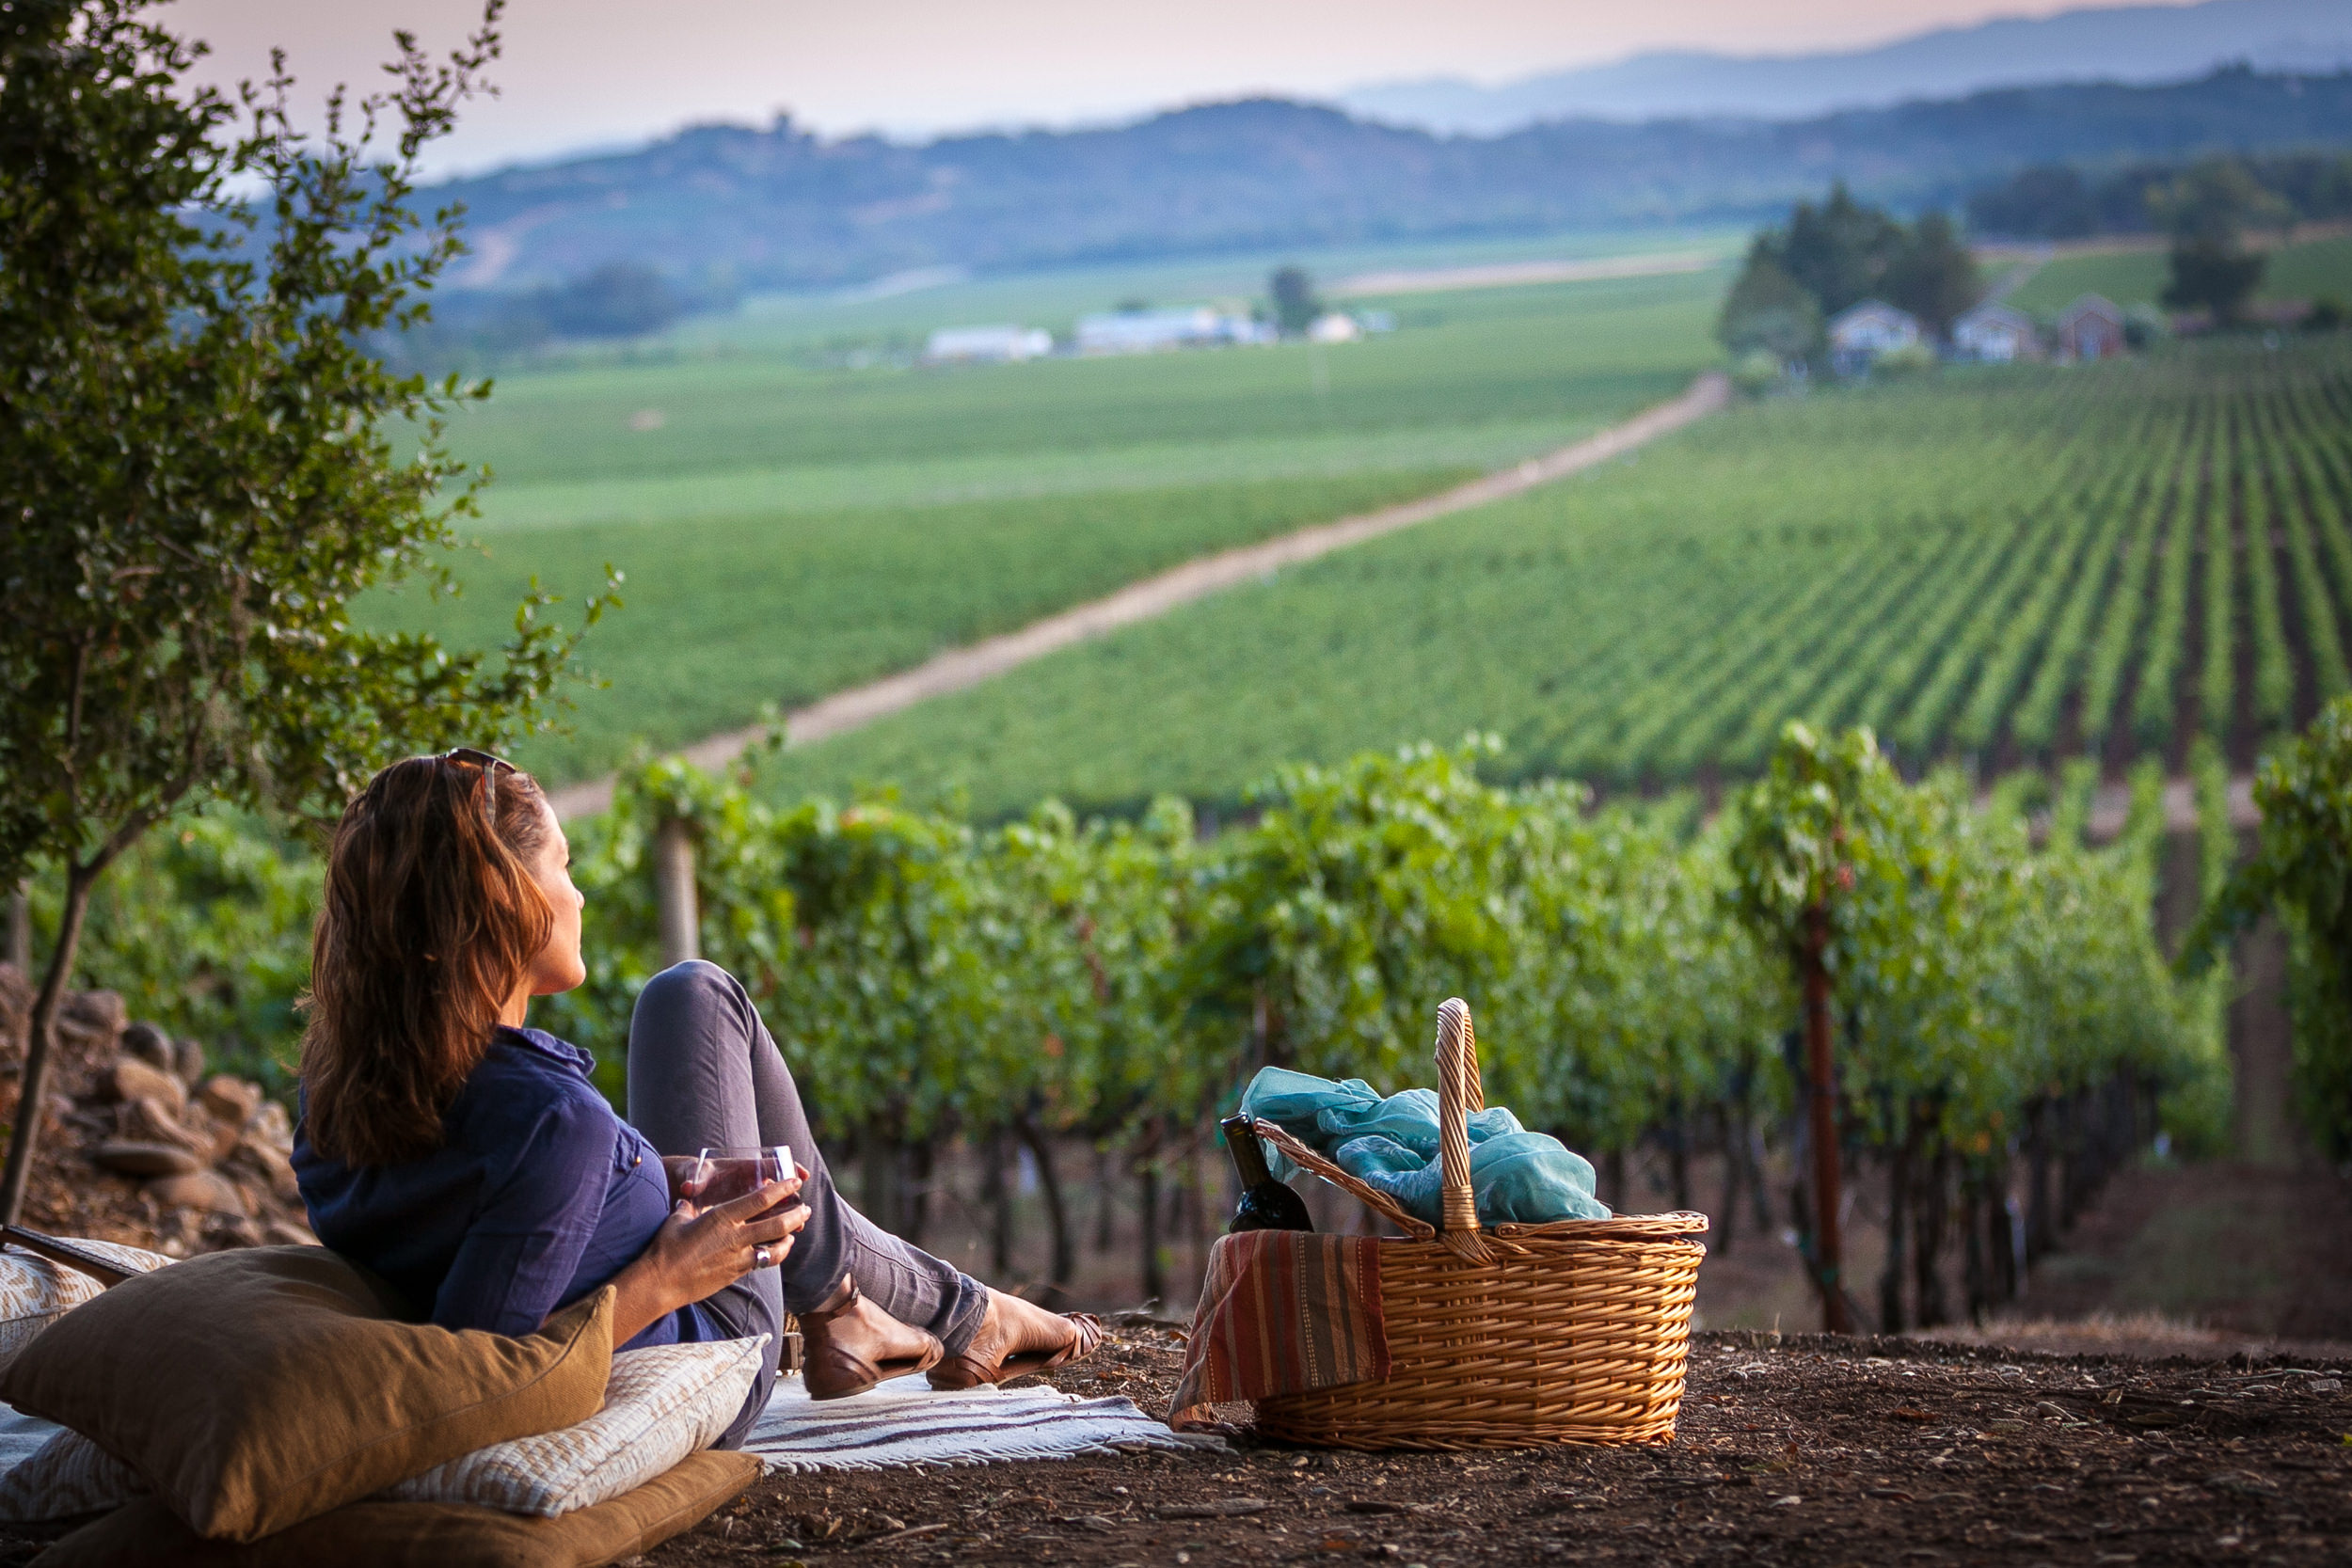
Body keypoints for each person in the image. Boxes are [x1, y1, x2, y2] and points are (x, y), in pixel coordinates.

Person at [291, 750, 1100, 1446]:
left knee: (694, 1011)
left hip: (622, 1258)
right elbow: (486, 1377)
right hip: (705, 1342)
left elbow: (491, 1211)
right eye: (561, 868)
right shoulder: (549, 1120)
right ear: (503, 903)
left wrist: (633, 1174)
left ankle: (881, 1310)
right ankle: (938, 1313)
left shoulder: (344, 1094)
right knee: (705, 998)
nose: (578, 896)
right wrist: (678, 1270)